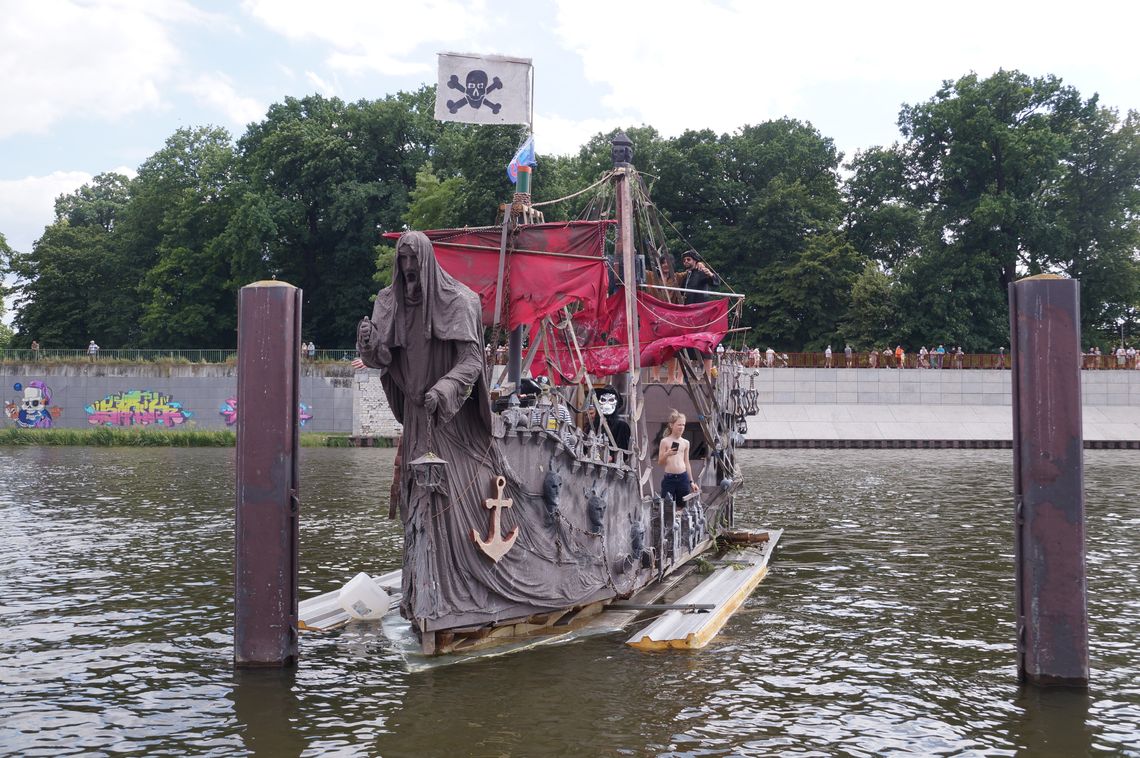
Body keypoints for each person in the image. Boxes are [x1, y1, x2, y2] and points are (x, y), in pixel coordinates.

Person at [355, 230, 495, 624]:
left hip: (451, 421)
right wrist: (366, 345)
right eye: (403, 267)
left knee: (450, 502)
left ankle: (457, 595)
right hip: (417, 420)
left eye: (415, 267)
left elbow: (472, 362)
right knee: (418, 504)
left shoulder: (459, 301)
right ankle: (421, 594)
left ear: (427, 263)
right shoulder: (390, 302)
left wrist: (445, 387)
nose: (409, 275)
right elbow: (382, 357)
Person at [675, 250, 720, 379]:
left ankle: (706, 375)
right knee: (684, 343)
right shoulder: (687, 276)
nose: (686, 262)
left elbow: (714, 281)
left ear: (695, 260)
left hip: (701, 313)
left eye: (688, 259)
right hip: (688, 314)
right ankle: (680, 377)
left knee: (704, 343)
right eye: (684, 260)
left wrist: (709, 273)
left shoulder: (701, 271)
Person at [658, 409, 699, 507]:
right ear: (672, 425)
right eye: (679, 424)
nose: (682, 427)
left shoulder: (686, 443)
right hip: (669, 478)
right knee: (667, 506)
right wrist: (667, 454)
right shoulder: (665, 441)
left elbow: (687, 463)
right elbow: (660, 462)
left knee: (683, 506)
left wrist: (691, 482)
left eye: (683, 425)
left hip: (683, 477)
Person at [588, 384, 631, 452]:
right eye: (603, 400)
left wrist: (611, 458)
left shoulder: (622, 426)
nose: (607, 404)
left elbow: (623, 453)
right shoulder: (593, 425)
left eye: (611, 400)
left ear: (616, 403)